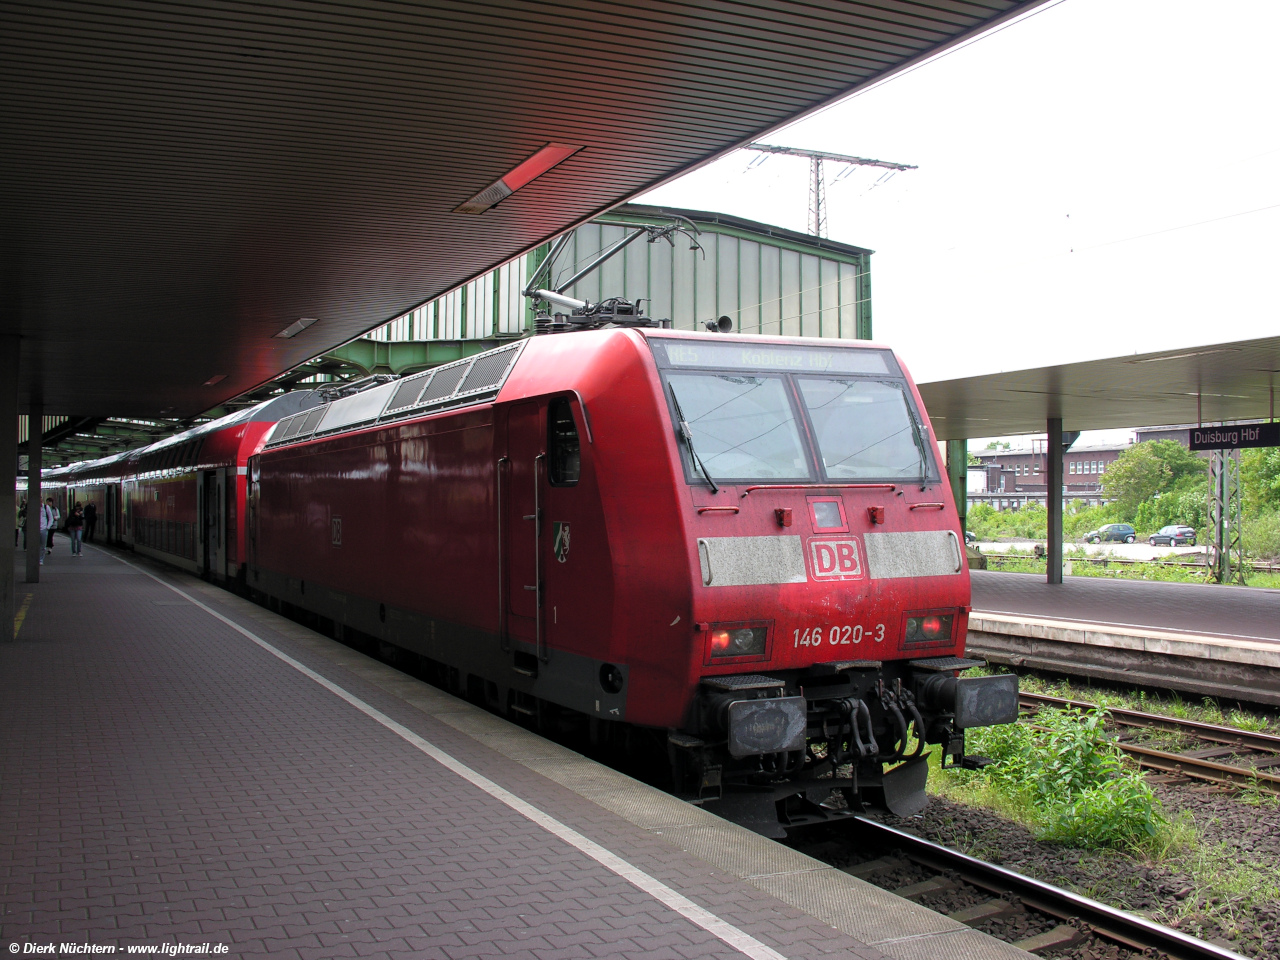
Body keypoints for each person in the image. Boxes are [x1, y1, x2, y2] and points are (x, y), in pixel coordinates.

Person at [39, 497, 55, 564]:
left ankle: (41, 559)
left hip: (44, 528)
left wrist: (47, 527)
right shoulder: (33, 507)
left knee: (43, 545)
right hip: (35, 529)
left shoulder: (46, 507)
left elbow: (51, 518)